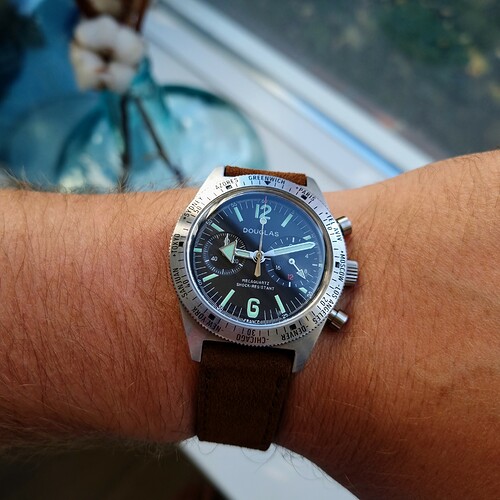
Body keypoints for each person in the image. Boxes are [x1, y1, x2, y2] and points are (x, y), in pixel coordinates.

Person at [0, 151, 498, 498]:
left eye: (266, 257)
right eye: (252, 253)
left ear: (342, 273)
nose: (259, 258)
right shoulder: (216, 241)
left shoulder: (316, 269)